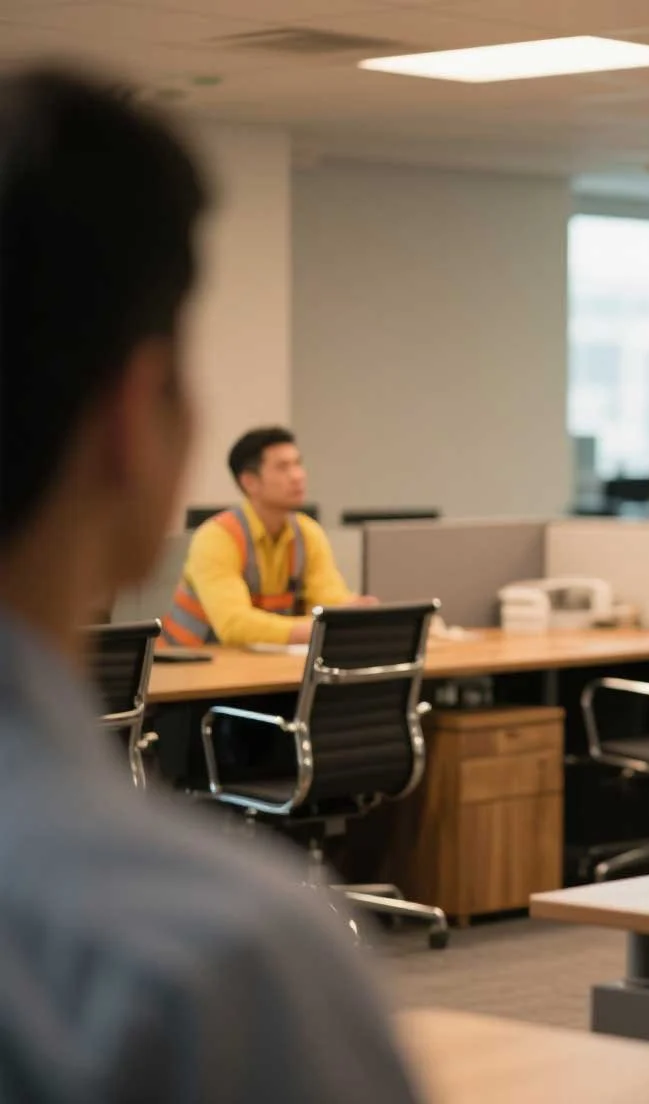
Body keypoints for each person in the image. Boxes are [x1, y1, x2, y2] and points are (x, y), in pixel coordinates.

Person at [0, 67, 419, 1100]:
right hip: (227, 704)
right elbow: (243, 618)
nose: (299, 480)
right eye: (283, 468)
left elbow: (322, 594)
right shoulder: (213, 959)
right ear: (138, 422)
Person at [162, 426, 375, 647]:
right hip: (188, 666)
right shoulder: (217, 537)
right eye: (283, 467)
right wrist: (318, 626)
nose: (298, 476)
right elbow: (234, 625)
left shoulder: (308, 533)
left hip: (255, 665)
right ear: (249, 482)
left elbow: (329, 598)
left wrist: (352, 610)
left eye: (298, 464)